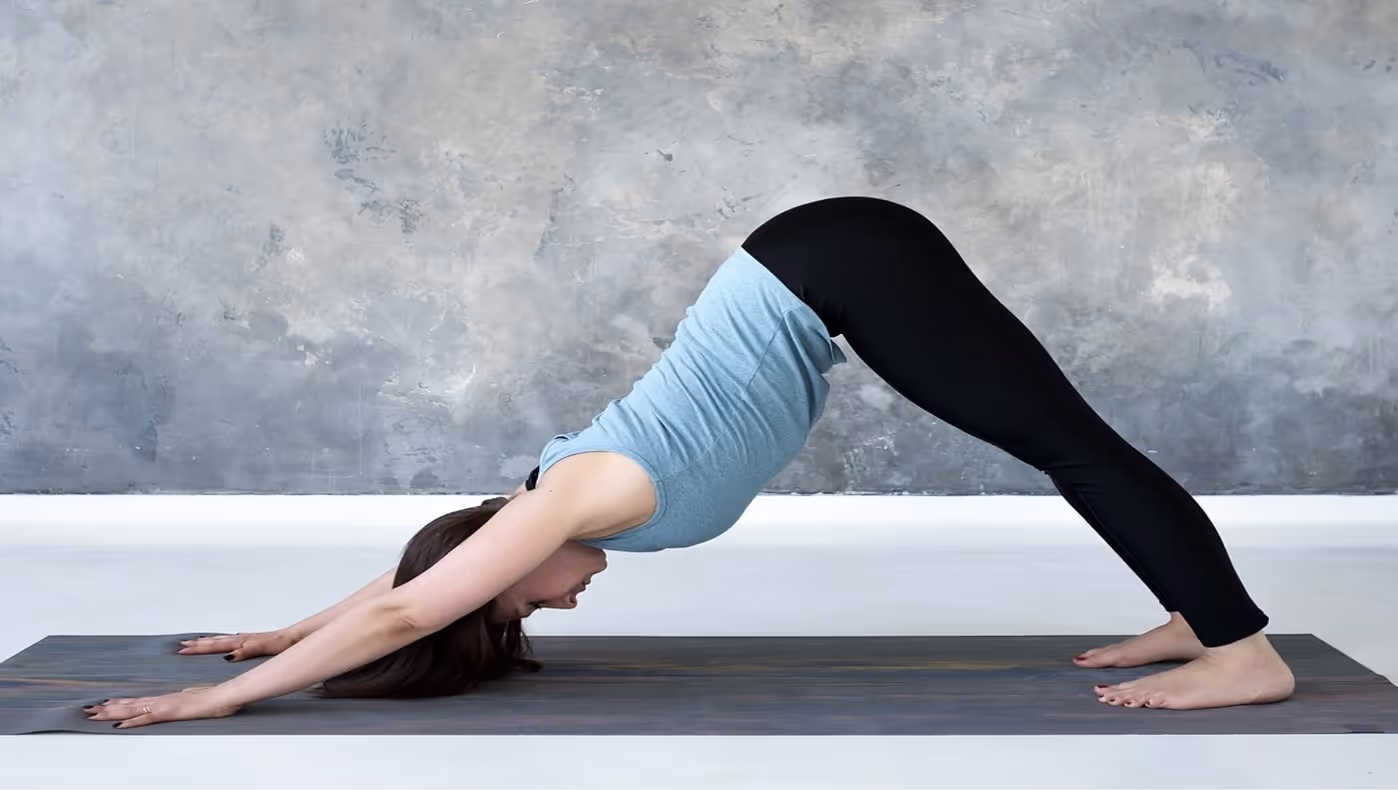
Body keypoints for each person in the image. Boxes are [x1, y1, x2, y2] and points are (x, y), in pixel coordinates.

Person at [83, 196, 1294, 729]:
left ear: (503, 568)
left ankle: (1242, 653)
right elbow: (421, 581)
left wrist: (223, 699)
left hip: (842, 265)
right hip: (829, 265)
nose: (563, 603)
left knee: (1071, 450)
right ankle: (1197, 612)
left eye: (526, 608)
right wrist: (284, 632)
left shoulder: (577, 495)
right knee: (1068, 446)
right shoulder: (544, 505)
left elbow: (415, 605)